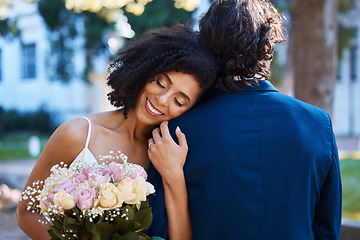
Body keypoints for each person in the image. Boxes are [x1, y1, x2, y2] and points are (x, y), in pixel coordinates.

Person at [147, 0, 342, 239]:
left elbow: (157, 229)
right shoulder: (319, 124)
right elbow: (327, 230)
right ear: (268, 47)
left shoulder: (174, 132)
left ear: (207, 46)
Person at [16, 25, 217, 240]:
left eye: (179, 100)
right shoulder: (76, 134)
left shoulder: (173, 155)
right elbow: (27, 212)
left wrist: (174, 175)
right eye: (160, 82)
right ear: (144, 70)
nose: (162, 99)